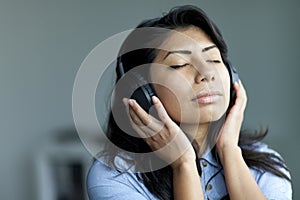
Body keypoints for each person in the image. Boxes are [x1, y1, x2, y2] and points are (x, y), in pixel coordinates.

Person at [87, 5, 292, 200]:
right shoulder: (116, 175)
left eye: (213, 59)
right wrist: (183, 164)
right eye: (179, 64)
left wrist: (229, 150)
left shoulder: (265, 163)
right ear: (142, 90)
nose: (206, 74)